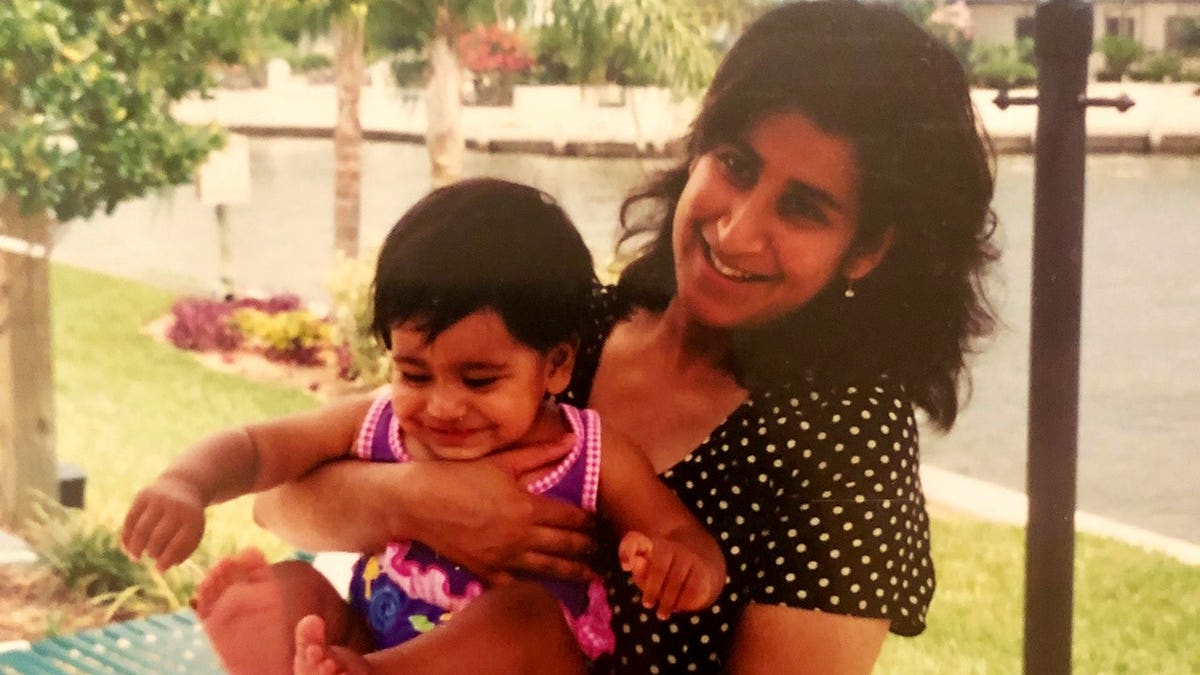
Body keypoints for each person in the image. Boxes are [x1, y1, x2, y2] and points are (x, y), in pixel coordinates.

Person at [254, 1, 999, 672]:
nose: (738, 231)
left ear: (866, 249)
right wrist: (416, 501)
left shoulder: (845, 443)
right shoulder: (572, 324)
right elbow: (279, 503)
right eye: (736, 165)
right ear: (698, 151)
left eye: (803, 209)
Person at [120, 178, 726, 675]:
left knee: (523, 616)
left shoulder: (586, 450)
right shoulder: (382, 421)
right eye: (414, 372)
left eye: (479, 380)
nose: (441, 407)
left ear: (557, 365)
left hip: (527, 661)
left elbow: (677, 529)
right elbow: (260, 447)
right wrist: (186, 483)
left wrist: (682, 567)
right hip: (373, 641)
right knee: (293, 591)